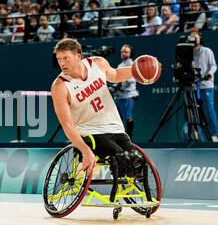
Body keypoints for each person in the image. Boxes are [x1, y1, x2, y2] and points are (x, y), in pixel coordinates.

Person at [51, 38, 160, 174]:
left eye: (66, 58)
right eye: (59, 59)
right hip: (90, 131)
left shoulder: (97, 63)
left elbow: (115, 75)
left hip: (114, 127)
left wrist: (136, 70)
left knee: (136, 161)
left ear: (78, 56)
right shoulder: (60, 86)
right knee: (122, 157)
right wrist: (85, 151)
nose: (62, 63)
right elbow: (67, 125)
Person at [191, 32, 218, 142]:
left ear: (200, 39)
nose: (194, 39)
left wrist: (210, 74)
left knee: (209, 109)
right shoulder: (190, 53)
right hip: (194, 87)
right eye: (192, 37)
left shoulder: (207, 51)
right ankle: (199, 138)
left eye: (196, 37)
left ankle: (215, 134)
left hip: (206, 85)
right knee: (195, 112)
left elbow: (213, 65)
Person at [111, 44, 139, 139]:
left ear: (130, 53)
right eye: (122, 52)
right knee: (118, 119)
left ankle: (129, 139)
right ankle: (120, 138)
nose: (124, 53)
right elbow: (117, 79)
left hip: (128, 96)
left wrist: (122, 81)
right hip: (119, 97)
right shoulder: (120, 65)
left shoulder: (132, 64)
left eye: (126, 52)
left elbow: (133, 79)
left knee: (128, 117)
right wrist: (114, 86)